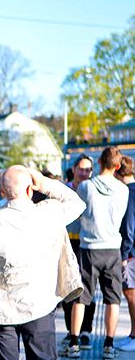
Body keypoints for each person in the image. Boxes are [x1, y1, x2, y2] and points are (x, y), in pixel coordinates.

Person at [0, 166, 86, 360]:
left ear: (2, 193)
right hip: (40, 304)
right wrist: (44, 182)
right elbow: (77, 202)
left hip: (1, 309)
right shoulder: (50, 213)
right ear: (31, 189)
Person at [63, 147, 129, 359]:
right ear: (118, 166)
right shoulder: (123, 190)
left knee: (81, 298)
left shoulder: (85, 187)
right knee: (113, 299)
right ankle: (109, 344)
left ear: (99, 162)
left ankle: (74, 342)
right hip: (112, 248)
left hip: (88, 247)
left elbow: (79, 213)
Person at [61, 154, 96, 348]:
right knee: (68, 287)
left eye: (88, 170)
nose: (84, 173)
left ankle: (86, 330)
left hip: (87, 244)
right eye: (81, 169)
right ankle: (70, 329)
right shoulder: (64, 190)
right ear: (73, 169)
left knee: (88, 288)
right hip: (67, 243)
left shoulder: (93, 190)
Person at [115, 155, 135, 352]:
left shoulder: (128, 192)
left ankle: (134, 335)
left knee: (130, 294)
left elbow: (129, 227)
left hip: (131, 252)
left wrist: (124, 255)